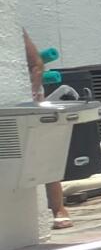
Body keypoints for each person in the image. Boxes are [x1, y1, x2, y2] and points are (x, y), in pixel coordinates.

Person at [22, 32, 73, 230]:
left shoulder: (15, 31)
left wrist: (33, 95)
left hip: (28, 101)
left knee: (44, 155)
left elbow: (37, 64)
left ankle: (58, 208)